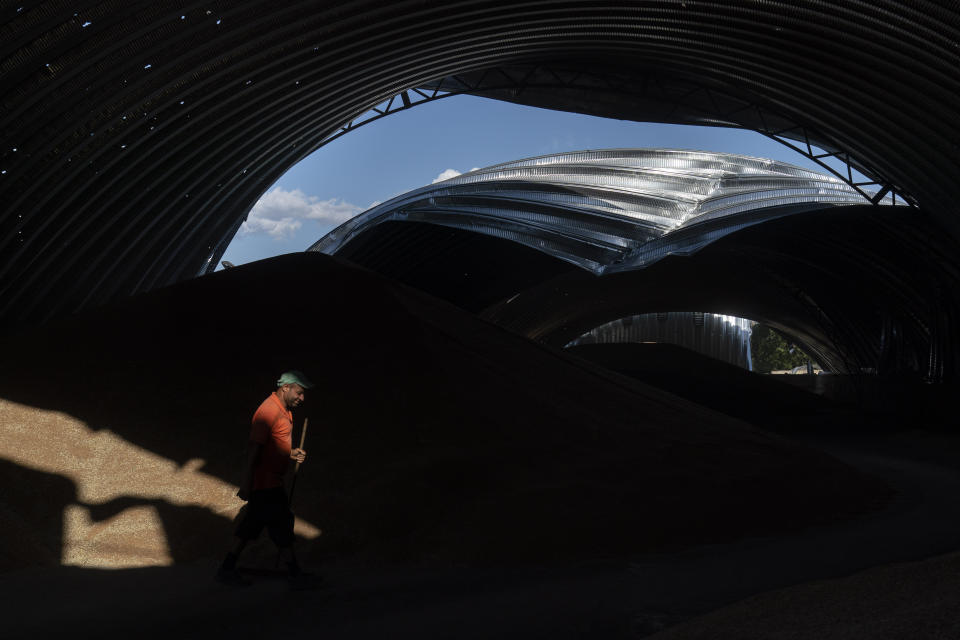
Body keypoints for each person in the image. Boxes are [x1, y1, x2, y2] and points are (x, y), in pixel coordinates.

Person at [216, 370, 315, 587]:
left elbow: (273, 447)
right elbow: (253, 451)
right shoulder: (268, 412)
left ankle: (226, 569)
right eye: (299, 393)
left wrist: (291, 453)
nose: (302, 398)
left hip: (270, 482)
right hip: (266, 484)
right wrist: (246, 483)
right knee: (281, 524)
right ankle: (295, 575)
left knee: (251, 527)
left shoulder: (284, 410)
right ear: (285, 387)